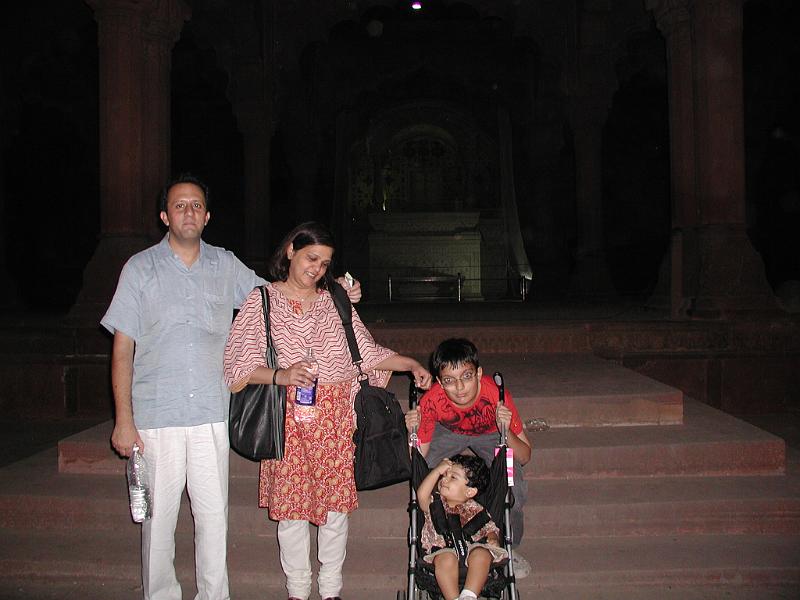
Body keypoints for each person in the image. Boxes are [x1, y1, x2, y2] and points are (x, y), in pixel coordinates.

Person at [101, 174, 362, 600]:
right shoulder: (140, 269)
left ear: (208, 217)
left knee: (213, 519)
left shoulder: (224, 265)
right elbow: (122, 347)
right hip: (155, 415)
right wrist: (123, 419)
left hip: (211, 413)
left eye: (197, 206)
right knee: (158, 522)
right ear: (164, 215)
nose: (189, 212)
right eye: (180, 205)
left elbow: (281, 295)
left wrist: (338, 292)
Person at [223, 221, 432, 600]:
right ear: (290, 251)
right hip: (288, 422)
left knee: (335, 512)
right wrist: (281, 375)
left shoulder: (335, 299)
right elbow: (237, 367)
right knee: (291, 513)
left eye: (325, 263)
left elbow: (365, 352)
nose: (317, 269)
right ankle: (297, 591)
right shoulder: (262, 300)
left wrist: (411, 365)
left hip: (336, 420)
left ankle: (332, 589)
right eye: (311, 258)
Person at [405, 338, 532, 578]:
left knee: (515, 486)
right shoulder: (432, 400)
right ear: (440, 383)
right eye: (450, 381)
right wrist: (411, 433)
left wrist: (505, 429)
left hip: (490, 432)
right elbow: (417, 460)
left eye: (466, 376)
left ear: (478, 374)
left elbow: (524, 455)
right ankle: (439, 539)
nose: (460, 388)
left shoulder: (495, 396)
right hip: (448, 431)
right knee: (426, 478)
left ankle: (508, 546)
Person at [417, 455, 507, 600]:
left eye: (453, 477)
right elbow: (421, 494)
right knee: (445, 559)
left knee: (482, 554)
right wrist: (436, 471)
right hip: (442, 550)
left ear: (469, 492)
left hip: (472, 548)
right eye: (444, 475)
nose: (444, 479)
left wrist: (493, 538)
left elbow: (490, 527)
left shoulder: (475, 509)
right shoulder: (435, 504)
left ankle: (469, 595)